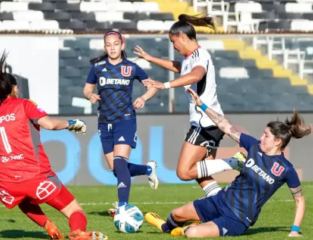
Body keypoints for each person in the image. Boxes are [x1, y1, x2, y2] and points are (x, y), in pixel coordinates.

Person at [0, 52, 108, 240]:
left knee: (23, 199)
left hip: (6, 182)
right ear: (14, 88)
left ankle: (48, 225)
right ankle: (78, 233)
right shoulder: (24, 105)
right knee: (74, 209)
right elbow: (49, 124)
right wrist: (72, 123)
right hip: (35, 175)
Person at [145, 87, 308, 238]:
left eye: (266, 135)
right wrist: (202, 106)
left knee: (192, 233)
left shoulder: (286, 169)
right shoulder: (254, 146)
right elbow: (225, 125)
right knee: (176, 214)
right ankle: (166, 227)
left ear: (278, 141)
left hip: (238, 218)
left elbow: (299, 199)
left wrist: (294, 230)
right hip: (220, 200)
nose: (261, 138)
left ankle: (188, 228)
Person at [135, 14, 225, 197]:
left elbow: (196, 75)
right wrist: (150, 58)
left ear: (183, 37)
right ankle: (220, 205)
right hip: (211, 122)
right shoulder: (190, 58)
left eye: (173, 41)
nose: (173, 46)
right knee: (202, 174)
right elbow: (179, 67)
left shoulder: (201, 56)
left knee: (184, 172)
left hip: (204, 123)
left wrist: (165, 85)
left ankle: (233, 162)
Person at [83, 30, 159, 215]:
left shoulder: (131, 67)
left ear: (122, 45)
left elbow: (153, 86)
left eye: (115, 44)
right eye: (108, 45)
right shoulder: (97, 67)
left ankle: (123, 207)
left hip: (125, 120)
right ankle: (148, 168)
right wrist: (90, 95)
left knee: (119, 161)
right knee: (116, 169)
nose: (112, 48)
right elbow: (86, 89)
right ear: (104, 47)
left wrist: (144, 97)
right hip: (104, 122)